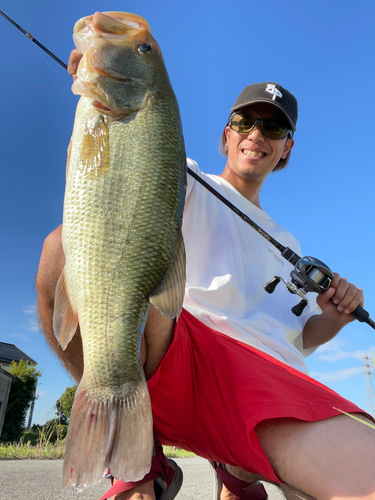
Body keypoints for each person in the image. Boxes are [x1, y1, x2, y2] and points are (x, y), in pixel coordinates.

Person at [36, 50, 375, 500]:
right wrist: (105, 84)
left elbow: (301, 336)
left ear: (287, 147)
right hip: (181, 355)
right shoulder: (185, 177)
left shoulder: (291, 242)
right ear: (226, 133)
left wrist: (331, 318)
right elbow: (107, 173)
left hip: (270, 379)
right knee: (62, 247)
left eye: (273, 127)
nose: (257, 134)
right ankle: (136, 456)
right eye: (245, 122)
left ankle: (237, 469)